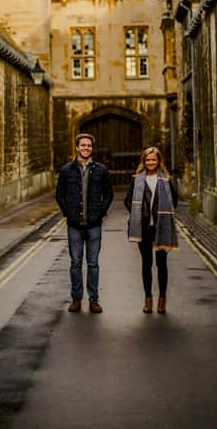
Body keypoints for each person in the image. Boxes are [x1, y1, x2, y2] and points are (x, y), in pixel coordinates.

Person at [56, 133, 114, 313]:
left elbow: (109, 194)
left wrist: (101, 212)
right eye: (83, 145)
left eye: (89, 146)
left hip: (94, 225)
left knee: (93, 263)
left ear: (92, 148)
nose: (86, 148)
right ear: (77, 147)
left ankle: (94, 299)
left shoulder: (101, 170)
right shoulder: (66, 170)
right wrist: (68, 213)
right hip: (74, 225)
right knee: (75, 263)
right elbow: (60, 195)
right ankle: (76, 299)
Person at [124, 146, 179, 314]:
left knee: (161, 264)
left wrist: (163, 217)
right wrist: (138, 214)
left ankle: (162, 300)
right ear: (144, 161)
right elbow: (128, 200)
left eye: (153, 159)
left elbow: (173, 201)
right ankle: (148, 299)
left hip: (161, 228)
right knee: (146, 264)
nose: (150, 162)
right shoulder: (137, 180)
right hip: (143, 228)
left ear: (159, 161)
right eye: (147, 160)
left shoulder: (166, 180)